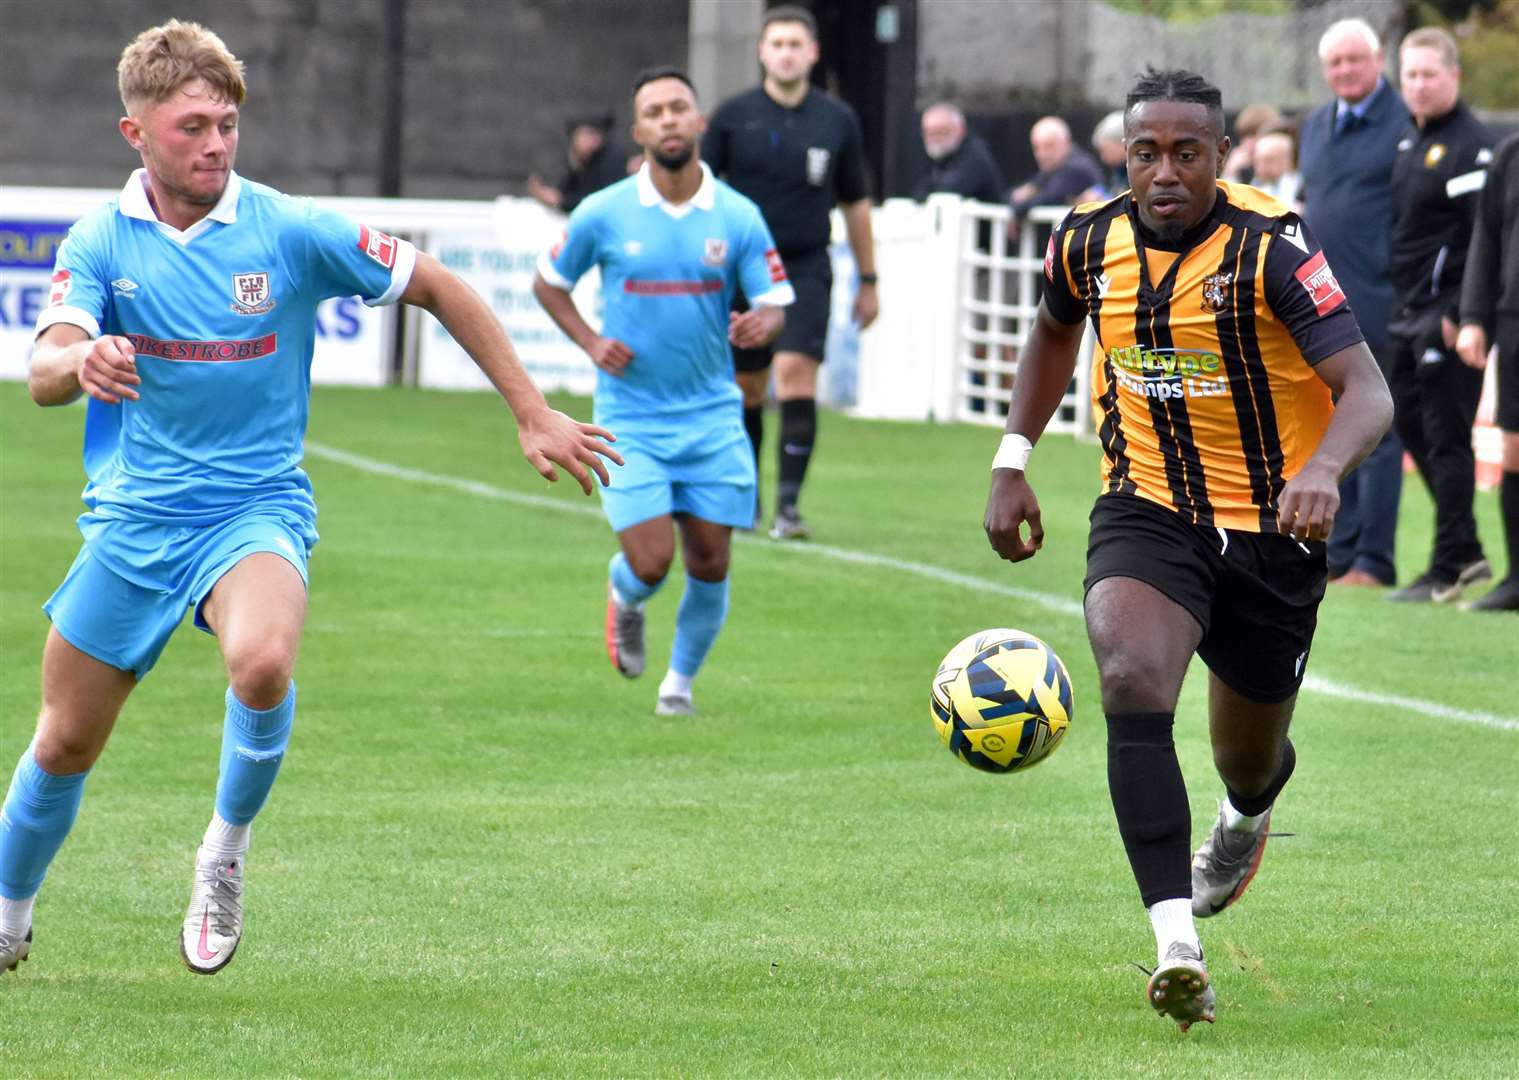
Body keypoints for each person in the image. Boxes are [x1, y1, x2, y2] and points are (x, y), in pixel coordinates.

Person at [0, 20, 620, 980]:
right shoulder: (99, 241)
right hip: (134, 522)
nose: (215, 143)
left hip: (255, 509)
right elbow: (42, 370)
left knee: (261, 665)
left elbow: (440, 286)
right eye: (192, 126)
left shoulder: (287, 227)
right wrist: (82, 357)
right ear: (136, 134)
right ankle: (10, 914)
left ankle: (224, 854)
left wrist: (531, 409)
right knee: (65, 739)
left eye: (228, 123)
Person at [983, 69, 1392, 1031]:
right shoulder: (1086, 239)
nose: (1163, 171)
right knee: (1128, 673)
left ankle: (1244, 821)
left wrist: (1325, 468)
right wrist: (1011, 459)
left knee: (1247, 760)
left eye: (1186, 153)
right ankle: (1176, 945)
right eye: (1144, 153)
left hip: (1275, 529)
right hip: (1148, 506)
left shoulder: (1271, 251)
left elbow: (1366, 388)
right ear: (1122, 156)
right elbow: (1051, 332)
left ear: (1220, 156)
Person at [533, 67, 793, 715]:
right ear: (640, 129)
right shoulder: (603, 211)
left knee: (709, 561)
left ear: (698, 122)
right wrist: (591, 343)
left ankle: (678, 685)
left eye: (679, 107)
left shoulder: (737, 215)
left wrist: (762, 320)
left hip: (710, 414)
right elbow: (548, 281)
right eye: (655, 111)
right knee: (651, 561)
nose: (669, 119)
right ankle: (625, 598)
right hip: (631, 417)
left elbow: (775, 300)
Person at [702, 4, 878, 541]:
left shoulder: (837, 120)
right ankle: (748, 495)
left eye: (795, 44)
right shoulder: (732, 116)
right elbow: (702, 195)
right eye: (776, 44)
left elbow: (855, 203)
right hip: (740, 271)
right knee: (746, 387)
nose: (785, 53)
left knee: (796, 373)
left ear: (812, 52)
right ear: (762, 52)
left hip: (803, 267)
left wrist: (869, 279)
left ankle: (789, 507)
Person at [1298, 17, 1410, 589]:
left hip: (1381, 298)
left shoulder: (1403, 122)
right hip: (1320, 307)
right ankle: (1339, 554)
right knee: (1329, 429)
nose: (1344, 71)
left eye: (1354, 60)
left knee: (1378, 429)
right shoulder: (1316, 125)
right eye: (1334, 63)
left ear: (1378, 60)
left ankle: (1374, 560)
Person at [1384, 27, 1494, 603]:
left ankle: (1452, 562)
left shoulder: (1473, 145)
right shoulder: (1408, 140)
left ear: (1453, 75)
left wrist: (1461, 310)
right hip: (1405, 313)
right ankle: (1467, 549)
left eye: (1429, 74)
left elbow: (1485, 237)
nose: (1419, 86)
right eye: (1410, 76)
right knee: (1407, 423)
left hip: (1445, 316)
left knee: (1447, 437)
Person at [1456, 131, 1519, 612]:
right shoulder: (1510, 153)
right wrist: (1474, 316)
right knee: (1514, 449)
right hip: (1514, 318)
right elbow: (1487, 235)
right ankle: (1517, 578)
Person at [1007, 116, 1104, 241]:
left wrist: (1017, 209)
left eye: (1049, 146)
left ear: (1066, 143)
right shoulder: (1053, 169)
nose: (1042, 154)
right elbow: (1016, 194)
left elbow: (1046, 198)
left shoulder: (1077, 168)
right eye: (1037, 147)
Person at [527, 113, 628, 215]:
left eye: (596, 134)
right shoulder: (577, 158)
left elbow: (600, 199)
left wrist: (561, 201)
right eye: (587, 134)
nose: (592, 140)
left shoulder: (611, 160)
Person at [911, 103, 1006, 204]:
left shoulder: (975, 155)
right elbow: (920, 192)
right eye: (928, 132)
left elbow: (948, 192)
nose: (934, 138)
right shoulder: (945, 156)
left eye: (941, 131)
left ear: (960, 129)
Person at [1220, 102, 1283, 185]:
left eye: (1252, 135)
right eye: (1243, 136)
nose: (1246, 143)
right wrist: (1231, 172)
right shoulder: (1247, 170)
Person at [1250, 130, 1301, 207]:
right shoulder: (1254, 188)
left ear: (1287, 161)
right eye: (1257, 162)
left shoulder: (1302, 188)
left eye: (1268, 161)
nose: (1261, 168)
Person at [1088, 109, 1129, 198]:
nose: (1103, 158)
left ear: (1122, 143)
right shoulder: (1120, 168)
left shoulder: (1137, 170)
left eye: (1104, 150)